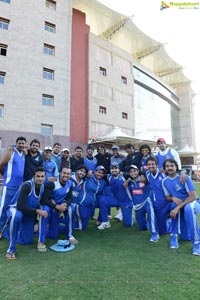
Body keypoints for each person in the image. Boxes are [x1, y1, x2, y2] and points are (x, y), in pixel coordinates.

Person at [4, 167, 66, 259]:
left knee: (28, 241)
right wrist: (38, 211)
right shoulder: (27, 185)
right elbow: (20, 206)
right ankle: (11, 249)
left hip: (28, 213)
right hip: (15, 209)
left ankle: (11, 231)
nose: (40, 178)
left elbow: (45, 198)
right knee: (17, 216)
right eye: (38, 176)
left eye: (42, 176)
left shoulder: (43, 186)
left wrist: (53, 202)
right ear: (33, 177)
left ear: (45, 177)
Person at [162, 158, 200, 255]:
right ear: (164, 168)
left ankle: (197, 244)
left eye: (171, 165)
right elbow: (167, 196)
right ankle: (173, 235)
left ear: (176, 167)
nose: (169, 168)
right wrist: (173, 198)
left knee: (189, 209)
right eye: (167, 166)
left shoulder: (183, 177)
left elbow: (193, 196)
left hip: (192, 202)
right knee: (173, 205)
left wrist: (178, 207)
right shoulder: (164, 181)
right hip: (179, 204)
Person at [124, 165, 159, 242]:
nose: (133, 173)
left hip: (146, 201)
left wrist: (143, 175)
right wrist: (126, 186)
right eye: (131, 172)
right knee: (142, 228)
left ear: (138, 171)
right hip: (137, 205)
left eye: (135, 171)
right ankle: (147, 223)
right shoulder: (130, 182)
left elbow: (150, 172)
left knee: (151, 214)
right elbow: (129, 194)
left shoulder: (145, 178)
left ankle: (154, 233)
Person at [0, 136, 27, 238]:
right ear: (16, 143)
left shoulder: (24, 153)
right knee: (3, 208)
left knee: (13, 208)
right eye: (19, 143)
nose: (21, 145)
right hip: (9, 186)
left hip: (19, 187)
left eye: (23, 143)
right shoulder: (10, 151)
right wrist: (5, 175)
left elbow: (28, 148)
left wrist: (25, 149)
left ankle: (5, 229)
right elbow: (1, 164)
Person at [98, 162, 133, 230]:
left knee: (128, 225)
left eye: (115, 168)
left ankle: (128, 215)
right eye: (112, 168)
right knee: (102, 200)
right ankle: (105, 222)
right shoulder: (108, 176)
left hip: (126, 201)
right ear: (110, 169)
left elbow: (135, 174)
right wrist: (90, 173)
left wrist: (128, 180)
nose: (114, 170)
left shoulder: (124, 176)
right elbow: (98, 174)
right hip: (116, 200)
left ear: (119, 169)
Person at [45, 167, 73, 243]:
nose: (66, 175)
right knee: (53, 235)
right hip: (52, 208)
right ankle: (38, 227)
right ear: (60, 173)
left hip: (60, 206)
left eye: (68, 174)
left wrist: (65, 203)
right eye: (64, 173)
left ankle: (58, 224)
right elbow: (44, 199)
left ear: (70, 175)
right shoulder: (52, 183)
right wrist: (56, 206)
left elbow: (70, 198)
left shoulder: (70, 183)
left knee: (71, 208)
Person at [145, 156, 171, 235]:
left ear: (156, 165)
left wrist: (183, 172)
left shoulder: (163, 174)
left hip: (164, 202)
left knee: (162, 231)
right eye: (149, 164)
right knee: (150, 225)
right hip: (155, 202)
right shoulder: (147, 174)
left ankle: (170, 220)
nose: (151, 166)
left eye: (153, 164)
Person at [75, 166, 106, 230]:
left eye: (102, 173)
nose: (100, 174)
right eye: (98, 172)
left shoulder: (103, 182)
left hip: (90, 205)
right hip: (81, 204)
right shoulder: (88, 177)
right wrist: (88, 172)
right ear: (95, 172)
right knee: (81, 227)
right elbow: (79, 173)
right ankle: (62, 222)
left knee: (84, 225)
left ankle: (65, 220)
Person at [69, 164, 89, 243]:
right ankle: (69, 235)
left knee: (81, 224)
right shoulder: (70, 178)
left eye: (84, 172)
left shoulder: (83, 182)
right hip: (67, 203)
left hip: (76, 204)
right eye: (81, 171)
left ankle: (62, 222)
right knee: (71, 220)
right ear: (77, 171)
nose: (82, 173)